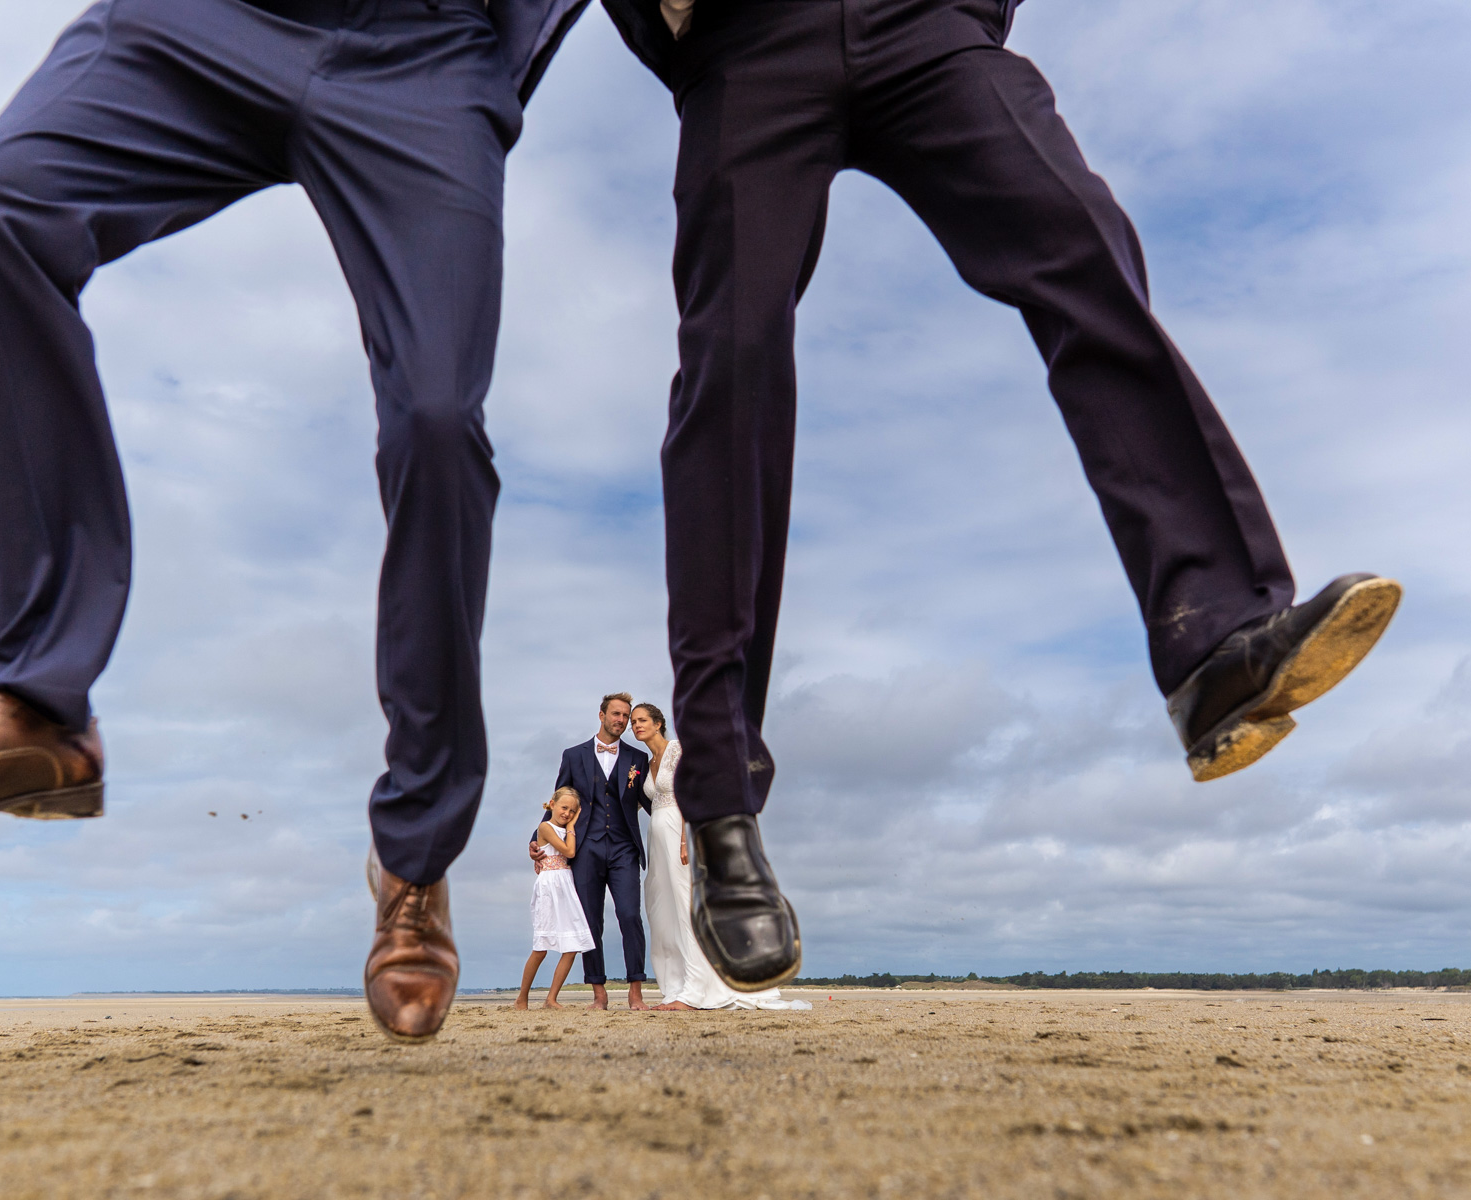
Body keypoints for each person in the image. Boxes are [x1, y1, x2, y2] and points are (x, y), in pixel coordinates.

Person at [0, 0, 601, 1046]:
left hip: (428, 52)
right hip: (204, 20)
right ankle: (36, 703)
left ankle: (415, 859)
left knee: (436, 418)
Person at [597, 0, 1401, 992]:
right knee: (732, 363)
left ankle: (1215, 640)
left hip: (924, 22)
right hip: (748, 36)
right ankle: (721, 804)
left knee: (1079, 237)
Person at [631, 703, 808, 1011]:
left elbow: (693, 793)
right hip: (656, 840)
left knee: (686, 906)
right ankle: (675, 987)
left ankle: (696, 989)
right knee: (663, 911)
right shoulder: (646, 763)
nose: (636, 725)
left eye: (642, 720)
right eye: (633, 722)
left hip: (679, 835)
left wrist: (686, 839)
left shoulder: (677, 750)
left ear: (658, 723)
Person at [543, 693, 653, 1010]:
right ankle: (599, 993)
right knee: (590, 921)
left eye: (626, 716)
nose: (621, 720)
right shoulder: (573, 755)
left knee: (630, 915)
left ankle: (636, 991)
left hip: (624, 848)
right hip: (585, 848)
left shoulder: (638, 758)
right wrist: (539, 841)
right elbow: (558, 801)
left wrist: (680, 820)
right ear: (602, 715)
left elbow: (649, 802)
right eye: (616, 714)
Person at [516, 787, 596, 1010]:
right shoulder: (545, 827)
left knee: (572, 946)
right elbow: (569, 852)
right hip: (549, 886)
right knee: (541, 946)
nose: (567, 814)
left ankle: (551, 999)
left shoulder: (568, 829)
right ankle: (521, 998)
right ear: (552, 804)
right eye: (564, 808)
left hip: (566, 885)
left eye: (572, 811)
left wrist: (570, 828)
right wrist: (571, 827)